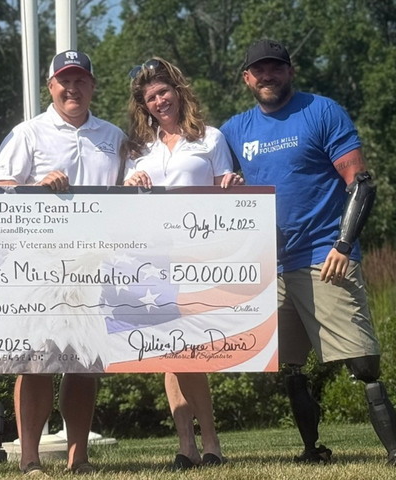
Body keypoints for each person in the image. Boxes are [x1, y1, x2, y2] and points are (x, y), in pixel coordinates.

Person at [220, 39, 396, 466]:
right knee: (290, 366)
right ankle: (312, 449)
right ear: (247, 78)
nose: (267, 76)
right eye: (258, 70)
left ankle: (395, 452)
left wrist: (343, 244)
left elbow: (360, 182)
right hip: (272, 267)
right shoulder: (234, 130)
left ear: (291, 71)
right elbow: (215, 179)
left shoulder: (321, 111)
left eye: (275, 68)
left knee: (362, 362)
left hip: (325, 256)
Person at [0, 50, 125, 476]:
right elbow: (0, 188)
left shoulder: (115, 136)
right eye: (64, 81)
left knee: (84, 363)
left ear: (92, 85)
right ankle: (30, 458)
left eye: (80, 80)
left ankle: (77, 457)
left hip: (92, 266)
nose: (73, 88)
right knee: (35, 362)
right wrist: (34, 185)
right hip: (38, 266)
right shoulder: (27, 133)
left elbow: (129, 193)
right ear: (50, 87)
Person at [123, 57, 241, 470]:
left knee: (190, 351)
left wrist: (231, 184)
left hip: (198, 258)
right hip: (151, 261)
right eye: (150, 98)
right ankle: (186, 446)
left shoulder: (211, 138)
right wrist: (130, 180)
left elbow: (228, 191)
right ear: (144, 105)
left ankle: (211, 443)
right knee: (168, 353)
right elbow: (121, 202)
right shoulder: (138, 149)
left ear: (178, 91)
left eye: (163, 93)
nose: (158, 101)